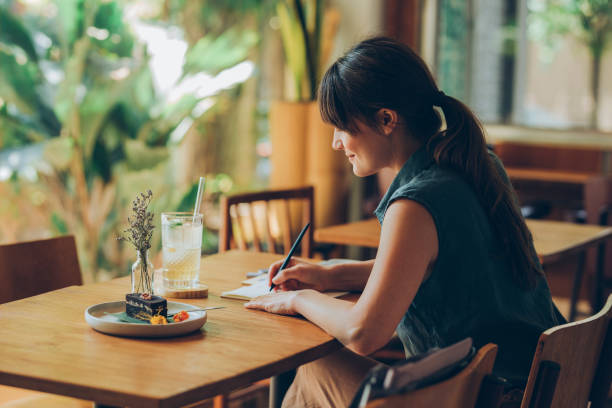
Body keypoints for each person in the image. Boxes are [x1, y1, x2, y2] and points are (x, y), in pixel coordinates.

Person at [245, 36, 564, 407]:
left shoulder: (415, 204)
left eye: (342, 128)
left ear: (385, 120)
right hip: (537, 385)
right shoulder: (476, 166)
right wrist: (331, 274)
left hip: (482, 396)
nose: (336, 143)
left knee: (315, 368)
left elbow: (364, 331)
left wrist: (300, 299)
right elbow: (430, 267)